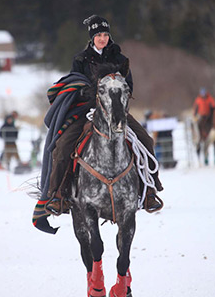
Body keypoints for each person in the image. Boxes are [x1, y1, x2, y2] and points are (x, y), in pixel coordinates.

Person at [34, 15, 163, 223]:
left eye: (105, 34)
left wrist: (120, 96)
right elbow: (74, 84)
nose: (102, 38)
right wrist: (87, 93)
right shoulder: (81, 59)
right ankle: (57, 195)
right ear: (91, 37)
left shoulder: (119, 58)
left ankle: (150, 190)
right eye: (98, 35)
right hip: (87, 111)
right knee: (63, 145)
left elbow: (128, 85)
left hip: (118, 110)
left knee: (146, 141)